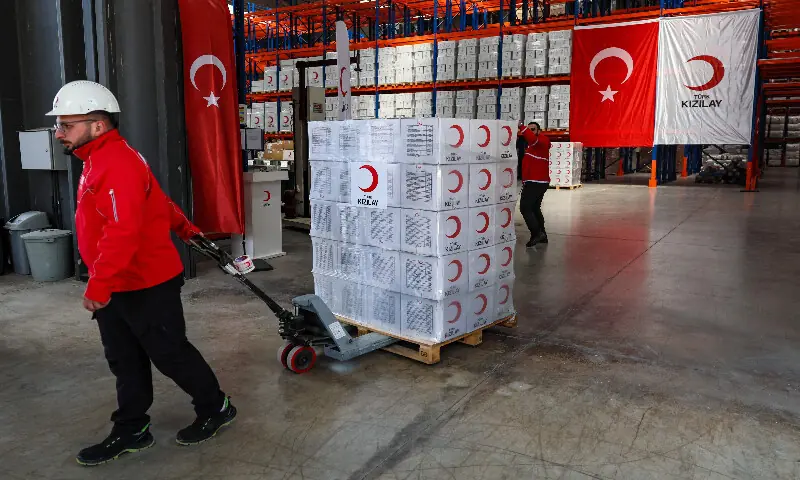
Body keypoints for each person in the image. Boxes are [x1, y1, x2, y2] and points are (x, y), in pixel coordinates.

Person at [46, 80, 236, 466]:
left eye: (66, 125)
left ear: (97, 124)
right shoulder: (97, 159)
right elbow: (157, 199)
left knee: (170, 353)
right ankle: (132, 428)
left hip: (147, 282)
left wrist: (99, 285)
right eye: (59, 125)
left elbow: (123, 230)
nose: (58, 132)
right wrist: (185, 228)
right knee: (124, 359)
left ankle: (216, 407)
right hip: (118, 282)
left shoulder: (116, 162)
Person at [518, 121, 551, 247]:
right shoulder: (532, 146)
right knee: (535, 208)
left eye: (533, 129)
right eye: (529, 129)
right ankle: (543, 235)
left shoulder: (542, 141)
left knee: (525, 208)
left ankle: (536, 233)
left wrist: (521, 126)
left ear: (539, 131)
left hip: (536, 181)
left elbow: (532, 139)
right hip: (535, 181)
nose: (530, 131)